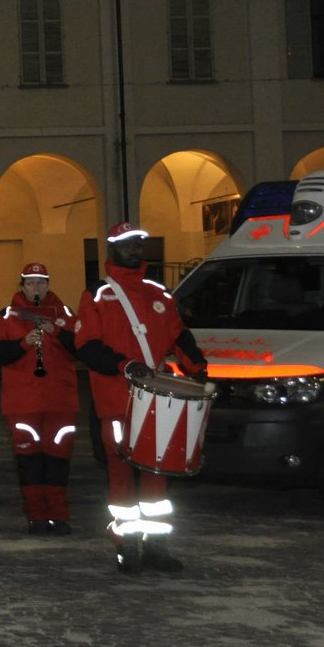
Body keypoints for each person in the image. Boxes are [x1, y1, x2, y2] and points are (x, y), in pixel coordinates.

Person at [76, 222, 209, 574]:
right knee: (121, 474)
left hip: (157, 400)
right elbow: (86, 346)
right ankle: (126, 546)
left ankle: (157, 546)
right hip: (116, 401)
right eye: (127, 244)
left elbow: (179, 336)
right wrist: (125, 365)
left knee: (158, 475)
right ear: (112, 250)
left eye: (139, 244)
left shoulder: (159, 293)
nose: (135, 250)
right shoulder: (98, 295)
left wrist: (198, 368)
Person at [0, 263, 80, 534]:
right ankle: (36, 514)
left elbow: (82, 348)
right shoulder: (7, 315)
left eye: (41, 282)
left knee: (58, 459)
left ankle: (58, 514)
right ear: (22, 286)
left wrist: (57, 332)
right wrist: (24, 343)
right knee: (30, 460)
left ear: (49, 285)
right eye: (31, 283)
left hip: (60, 400)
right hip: (23, 402)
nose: (36, 287)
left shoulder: (64, 313)